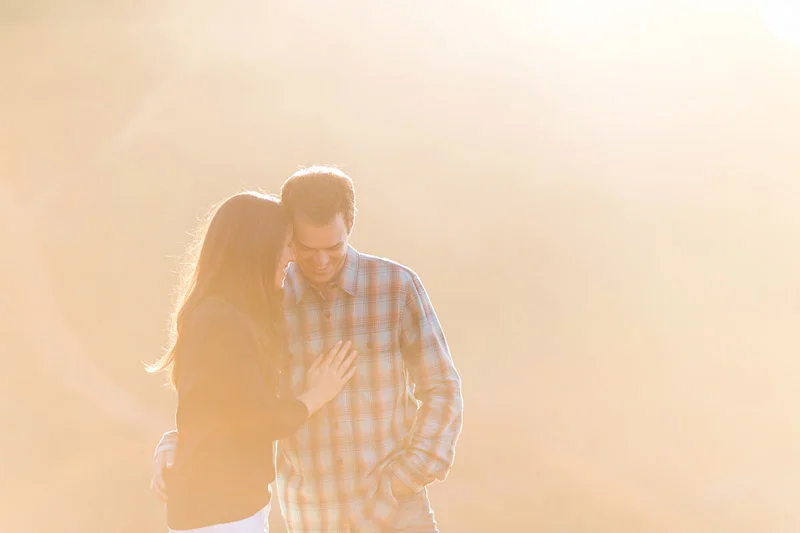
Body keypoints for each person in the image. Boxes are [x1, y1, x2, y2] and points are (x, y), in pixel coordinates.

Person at [153, 167, 463, 532]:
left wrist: (405, 478)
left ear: (350, 225)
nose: (319, 261)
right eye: (305, 248)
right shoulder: (267, 298)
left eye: (333, 247)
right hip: (314, 516)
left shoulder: (397, 288)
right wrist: (179, 441)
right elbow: (231, 392)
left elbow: (442, 388)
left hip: (396, 511)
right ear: (287, 236)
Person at [147, 191, 357, 532]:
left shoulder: (229, 314)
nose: (292, 254)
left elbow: (215, 407)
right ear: (258, 248)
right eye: (287, 244)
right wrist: (319, 393)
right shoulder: (220, 321)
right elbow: (256, 417)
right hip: (218, 512)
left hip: (228, 506)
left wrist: (172, 440)